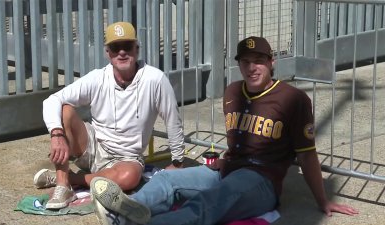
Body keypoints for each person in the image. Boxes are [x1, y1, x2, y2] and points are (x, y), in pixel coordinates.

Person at [89, 36, 358, 225]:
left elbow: (307, 155)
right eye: (245, 62)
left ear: (271, 61)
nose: (252, 67)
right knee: (166, 180)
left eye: (259, 60)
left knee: (211, 202)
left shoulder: (294, 99)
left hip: (262, 181)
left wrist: (323, 200)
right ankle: (126, 212)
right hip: (227, 169)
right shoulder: (232, 92)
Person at [33, 21, 185, 210]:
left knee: (130, 178)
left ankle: (70, 178)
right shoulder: (97, 78)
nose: (121, 52)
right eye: (115, 47)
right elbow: (52, 100)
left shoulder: (155, 79)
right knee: (64, 110)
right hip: (93, 147)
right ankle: (63, 186)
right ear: (108, 53)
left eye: (127, 46)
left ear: (137, 49)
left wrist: (178, 161)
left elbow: (172, 119)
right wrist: (57, 134)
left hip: (127, 157)